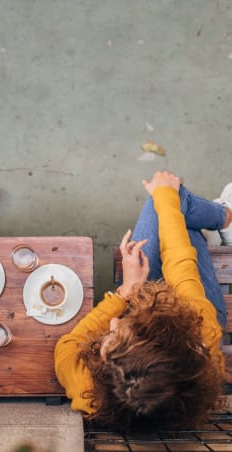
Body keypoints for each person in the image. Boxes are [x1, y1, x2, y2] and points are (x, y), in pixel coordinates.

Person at [54, 171, 227, 431]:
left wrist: (128, 290)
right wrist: (166, 193)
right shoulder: (200, 333)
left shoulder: (93, 392)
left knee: (169, 209)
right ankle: (225, 217)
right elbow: (182, 267)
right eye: (122, 329)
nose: (113, 321)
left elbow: (65, 348)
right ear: (159, 333)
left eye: (108, 340)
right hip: (193, 311)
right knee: (168, 199)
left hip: (160, 330)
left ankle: (204, 221)